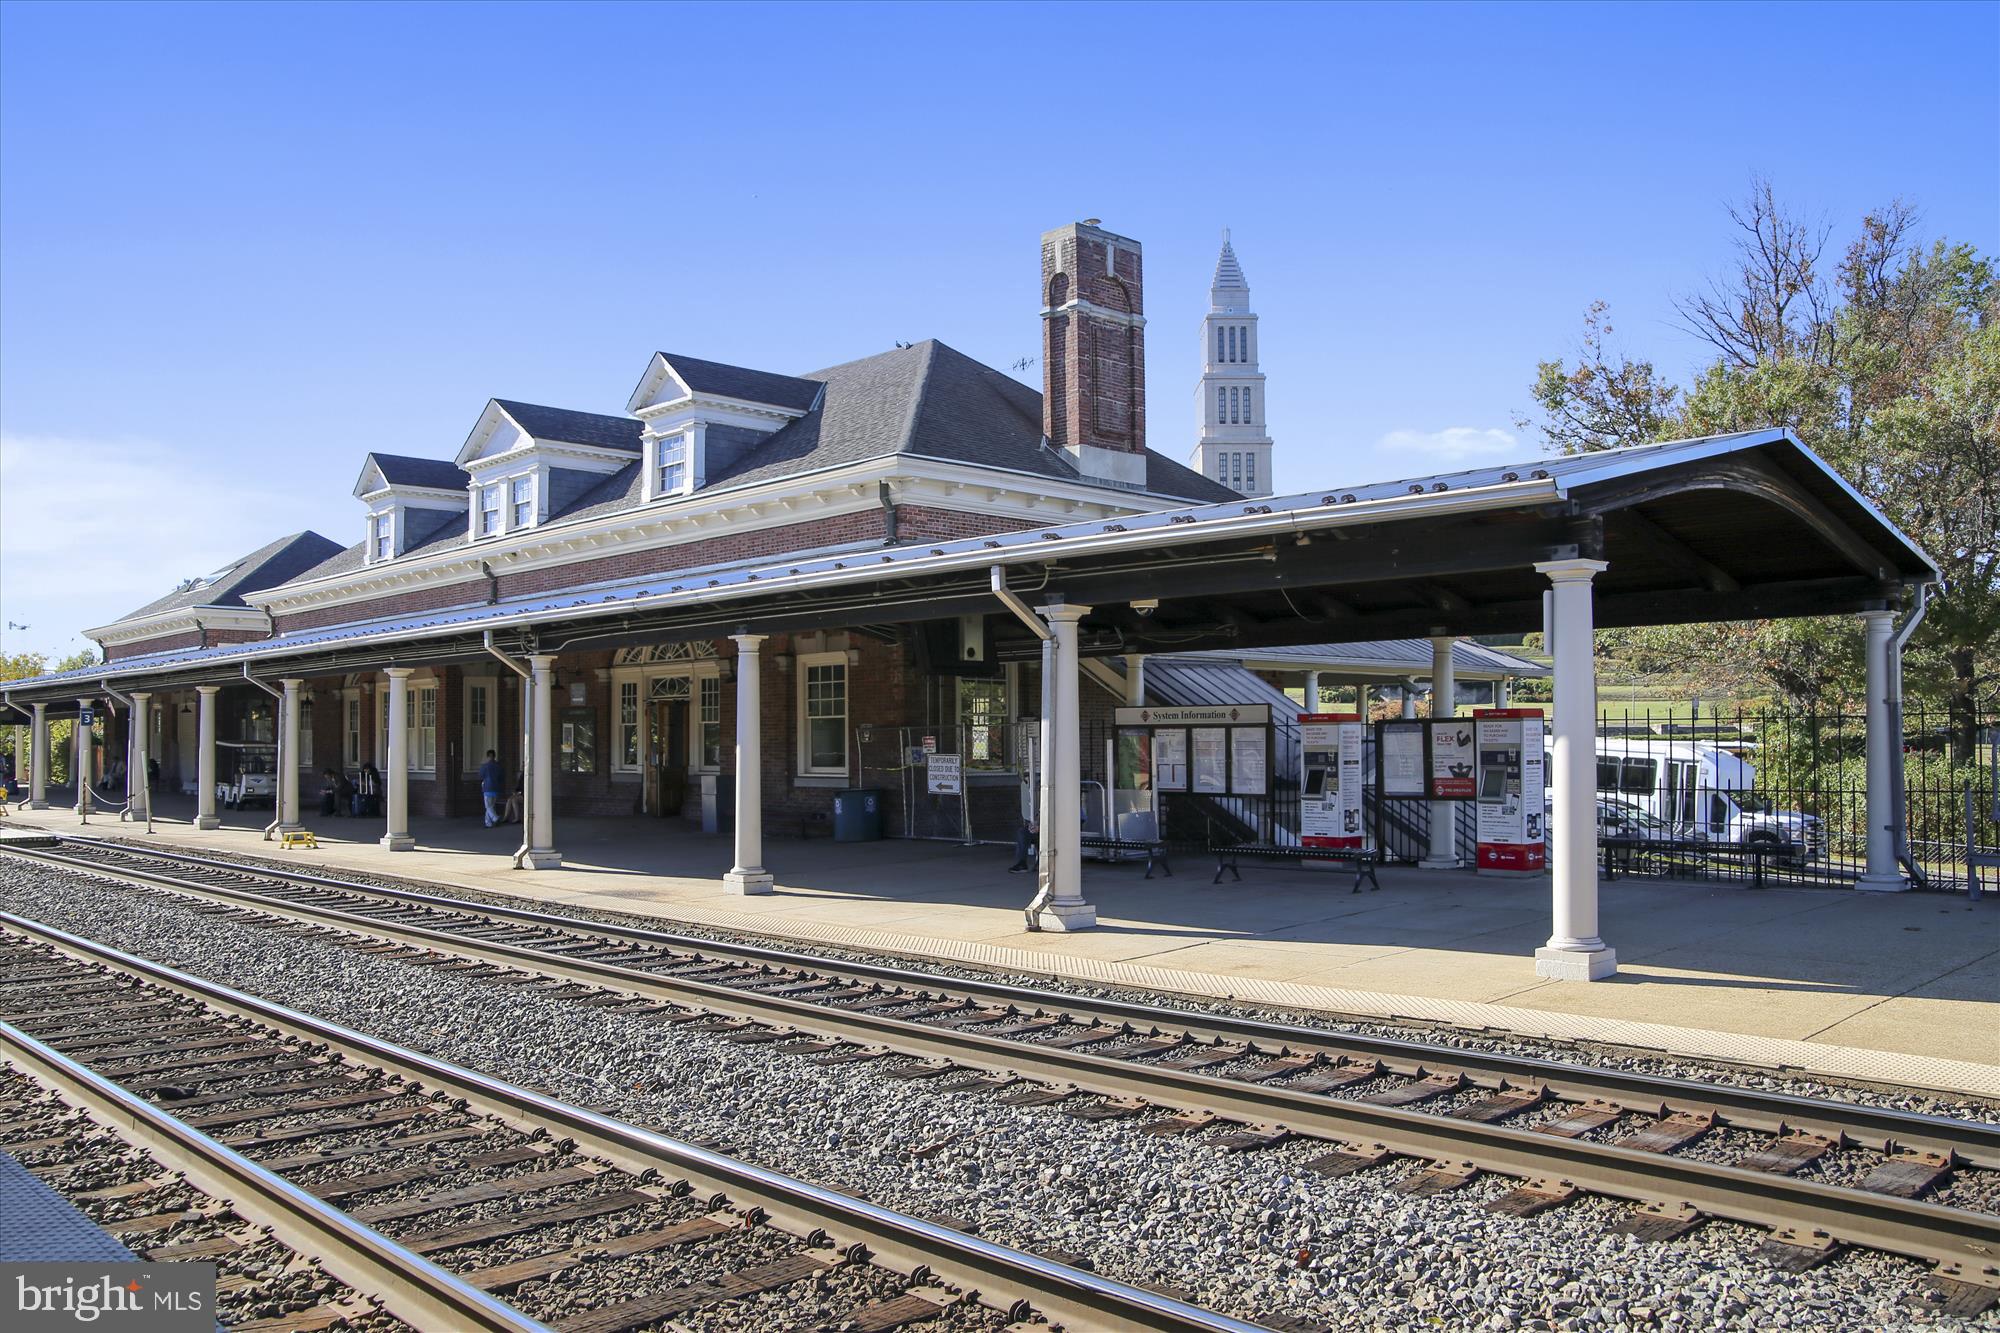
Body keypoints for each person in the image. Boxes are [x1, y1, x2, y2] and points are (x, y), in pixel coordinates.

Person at [478, 749, 504, 827]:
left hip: (487, 788)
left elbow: (481, 776)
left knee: (488, 806)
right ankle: (488, 823)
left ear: (488, 756)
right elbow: (501, 777)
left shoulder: (485, 766)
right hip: (496, 788)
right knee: (491, 806)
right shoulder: (498, 766)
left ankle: (495, 818)